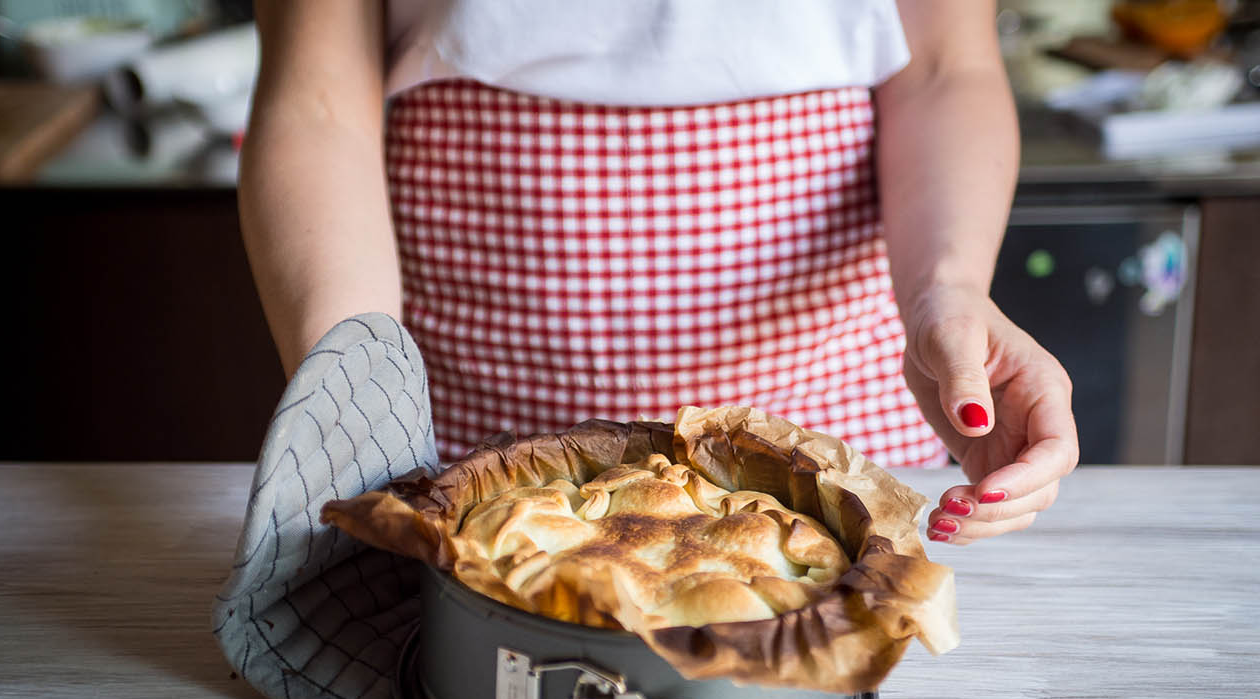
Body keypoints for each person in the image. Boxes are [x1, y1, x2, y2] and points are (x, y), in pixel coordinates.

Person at [238, 0, 1079, 546]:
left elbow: (943, 69)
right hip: (473, 441)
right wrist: (351, 406)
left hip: (833, 427)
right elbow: (317, 102)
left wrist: (952, 289)